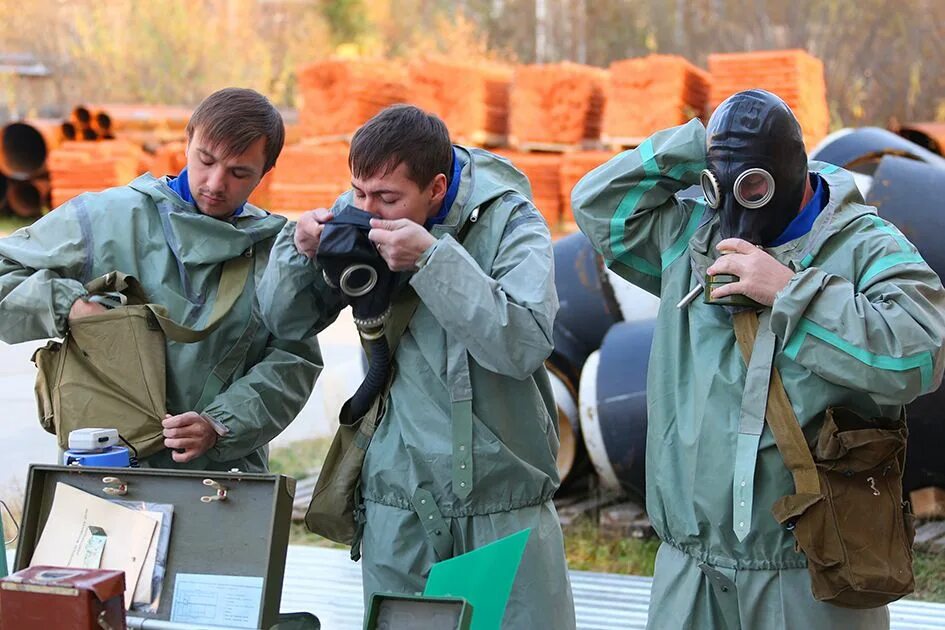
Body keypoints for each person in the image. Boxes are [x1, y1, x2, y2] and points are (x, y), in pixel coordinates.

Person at [571, 89, 945, 629]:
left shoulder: (864, 246)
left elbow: (920, 356)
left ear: (791, 174)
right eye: (718, 187)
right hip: (693, 566)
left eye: (751, 186)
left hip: (813, 567)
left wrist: (792, 293)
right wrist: (698, 144)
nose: (732, 210)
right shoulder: (692, 234)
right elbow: (596, 206)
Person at [257, 104, 575, 628]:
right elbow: (284, 320)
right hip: (398, 497)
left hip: (500, 497)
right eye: (358, 193)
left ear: (436, 187)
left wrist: (431, 258)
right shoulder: (360, 210)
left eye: (387, 199)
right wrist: (300, 251)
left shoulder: (510, 221)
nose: (369, 212)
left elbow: (522, 344)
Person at [0, 87, 331, 472]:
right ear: (187, 142)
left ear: (265, 172)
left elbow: (294, 359)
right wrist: (68, 305)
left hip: (220, 478)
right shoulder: (106, 218)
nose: (215, 183)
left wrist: (221, 424)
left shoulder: (275, 252)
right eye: (205, 160)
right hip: (105, 470)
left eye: (239, 172)